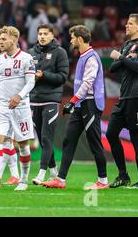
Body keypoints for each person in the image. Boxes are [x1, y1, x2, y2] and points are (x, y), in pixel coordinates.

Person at [43, 25, 108, 189]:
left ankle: (103, 181)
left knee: (94, 143)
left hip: (90, 104)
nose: (71, 40)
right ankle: (60, 180)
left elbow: (87, 83)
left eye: (72, 37)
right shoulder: (83, 56)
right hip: (80, 105)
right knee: (68, 140)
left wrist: (72, 101)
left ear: (80, 39)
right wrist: (75, 102)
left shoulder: (91, 58)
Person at [0, 26, 36, 191]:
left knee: (23, 145)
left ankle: (23, 180)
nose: (0, 42)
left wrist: (19, 96)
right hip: (2, 107)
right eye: (0, 39)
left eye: (4, 39)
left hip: (21, 107)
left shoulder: (27, 58)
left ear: (14, 40)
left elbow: (31, 82)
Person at [107, 14, 138, 189]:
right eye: (126, 23)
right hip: (124, 97)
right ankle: (123, 176)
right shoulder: (127, 45)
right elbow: (112, 68)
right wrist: (123, 58)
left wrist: (121, 58)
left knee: (136, 139)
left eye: (130, 24)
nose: (126, 26)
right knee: (111, 134)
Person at [28, 24, 69, 185]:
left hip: (51, 99)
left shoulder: (60, 52)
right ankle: (54, 173)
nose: (42, 36)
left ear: (53, 35)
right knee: (43, 138)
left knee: (46, 137)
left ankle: (41, 173)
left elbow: (62, 77)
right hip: (34, 100)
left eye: (46, 33)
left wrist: (44, 75)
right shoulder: (31, 53)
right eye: (40, 34)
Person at [0, 31, 20, 185]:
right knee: (5, 140)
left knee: (7, 139)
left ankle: (0, 175)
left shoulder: (15, 59)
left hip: (13, 105)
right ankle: (13, 175)